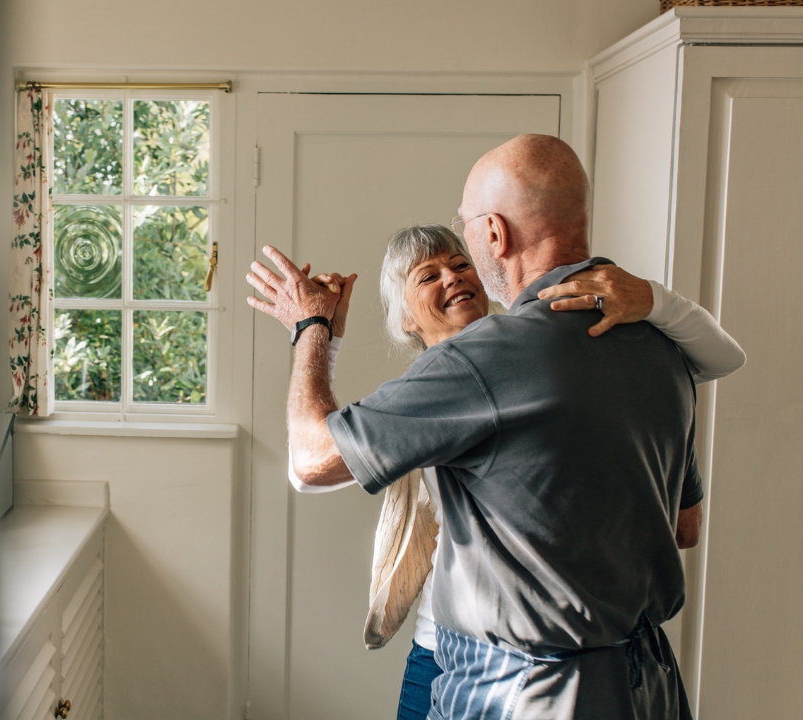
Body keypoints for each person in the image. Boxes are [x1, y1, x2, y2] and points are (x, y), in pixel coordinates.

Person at [245, 134, 744, 719]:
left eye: (464, 237)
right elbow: (685, 526)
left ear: (493, 234)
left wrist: (311, 327)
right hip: (649, 687)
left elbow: (310, 461)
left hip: (529, 693)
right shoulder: (664, 347)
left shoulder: (485, 359)